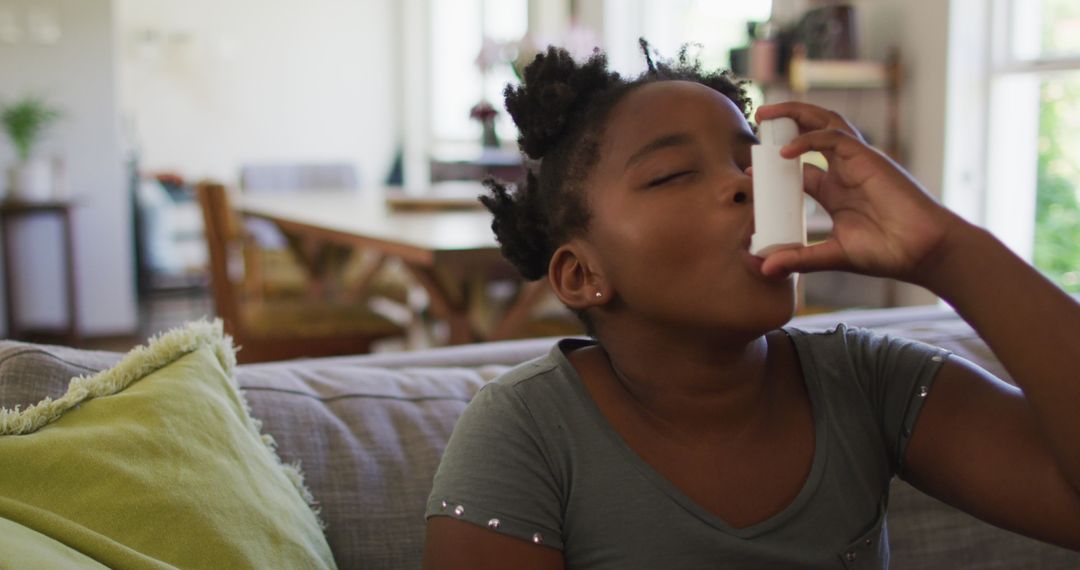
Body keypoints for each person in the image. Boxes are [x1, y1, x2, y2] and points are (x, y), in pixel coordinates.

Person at [422, 41, 1080, 569]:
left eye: (754, 164)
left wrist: (948, 253)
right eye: (674, 174)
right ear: (580, 273)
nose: (746, 186)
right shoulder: (525, 433)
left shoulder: (868, 382)